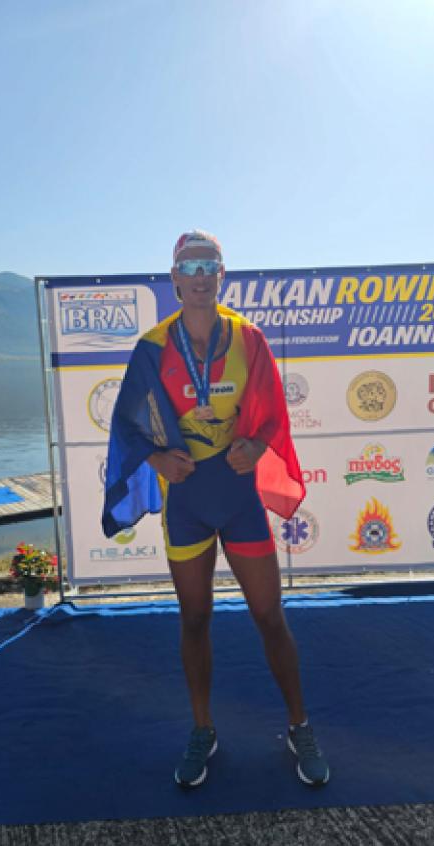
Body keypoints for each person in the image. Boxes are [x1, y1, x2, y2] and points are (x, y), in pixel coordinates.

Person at [101, 229, 330, 788]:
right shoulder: (153, 346)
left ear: (222, 276)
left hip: (238, 499)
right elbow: (127, 425)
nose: (200, 276)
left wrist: (257, 445)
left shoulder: (249, 338)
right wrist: (158, 457)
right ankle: (203, 729)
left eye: (210, 266)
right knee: (195, 619)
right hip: (187, 504)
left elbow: (274, 414)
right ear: (174, 278)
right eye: (190, 266)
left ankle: (300, 726)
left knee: (269, 617)